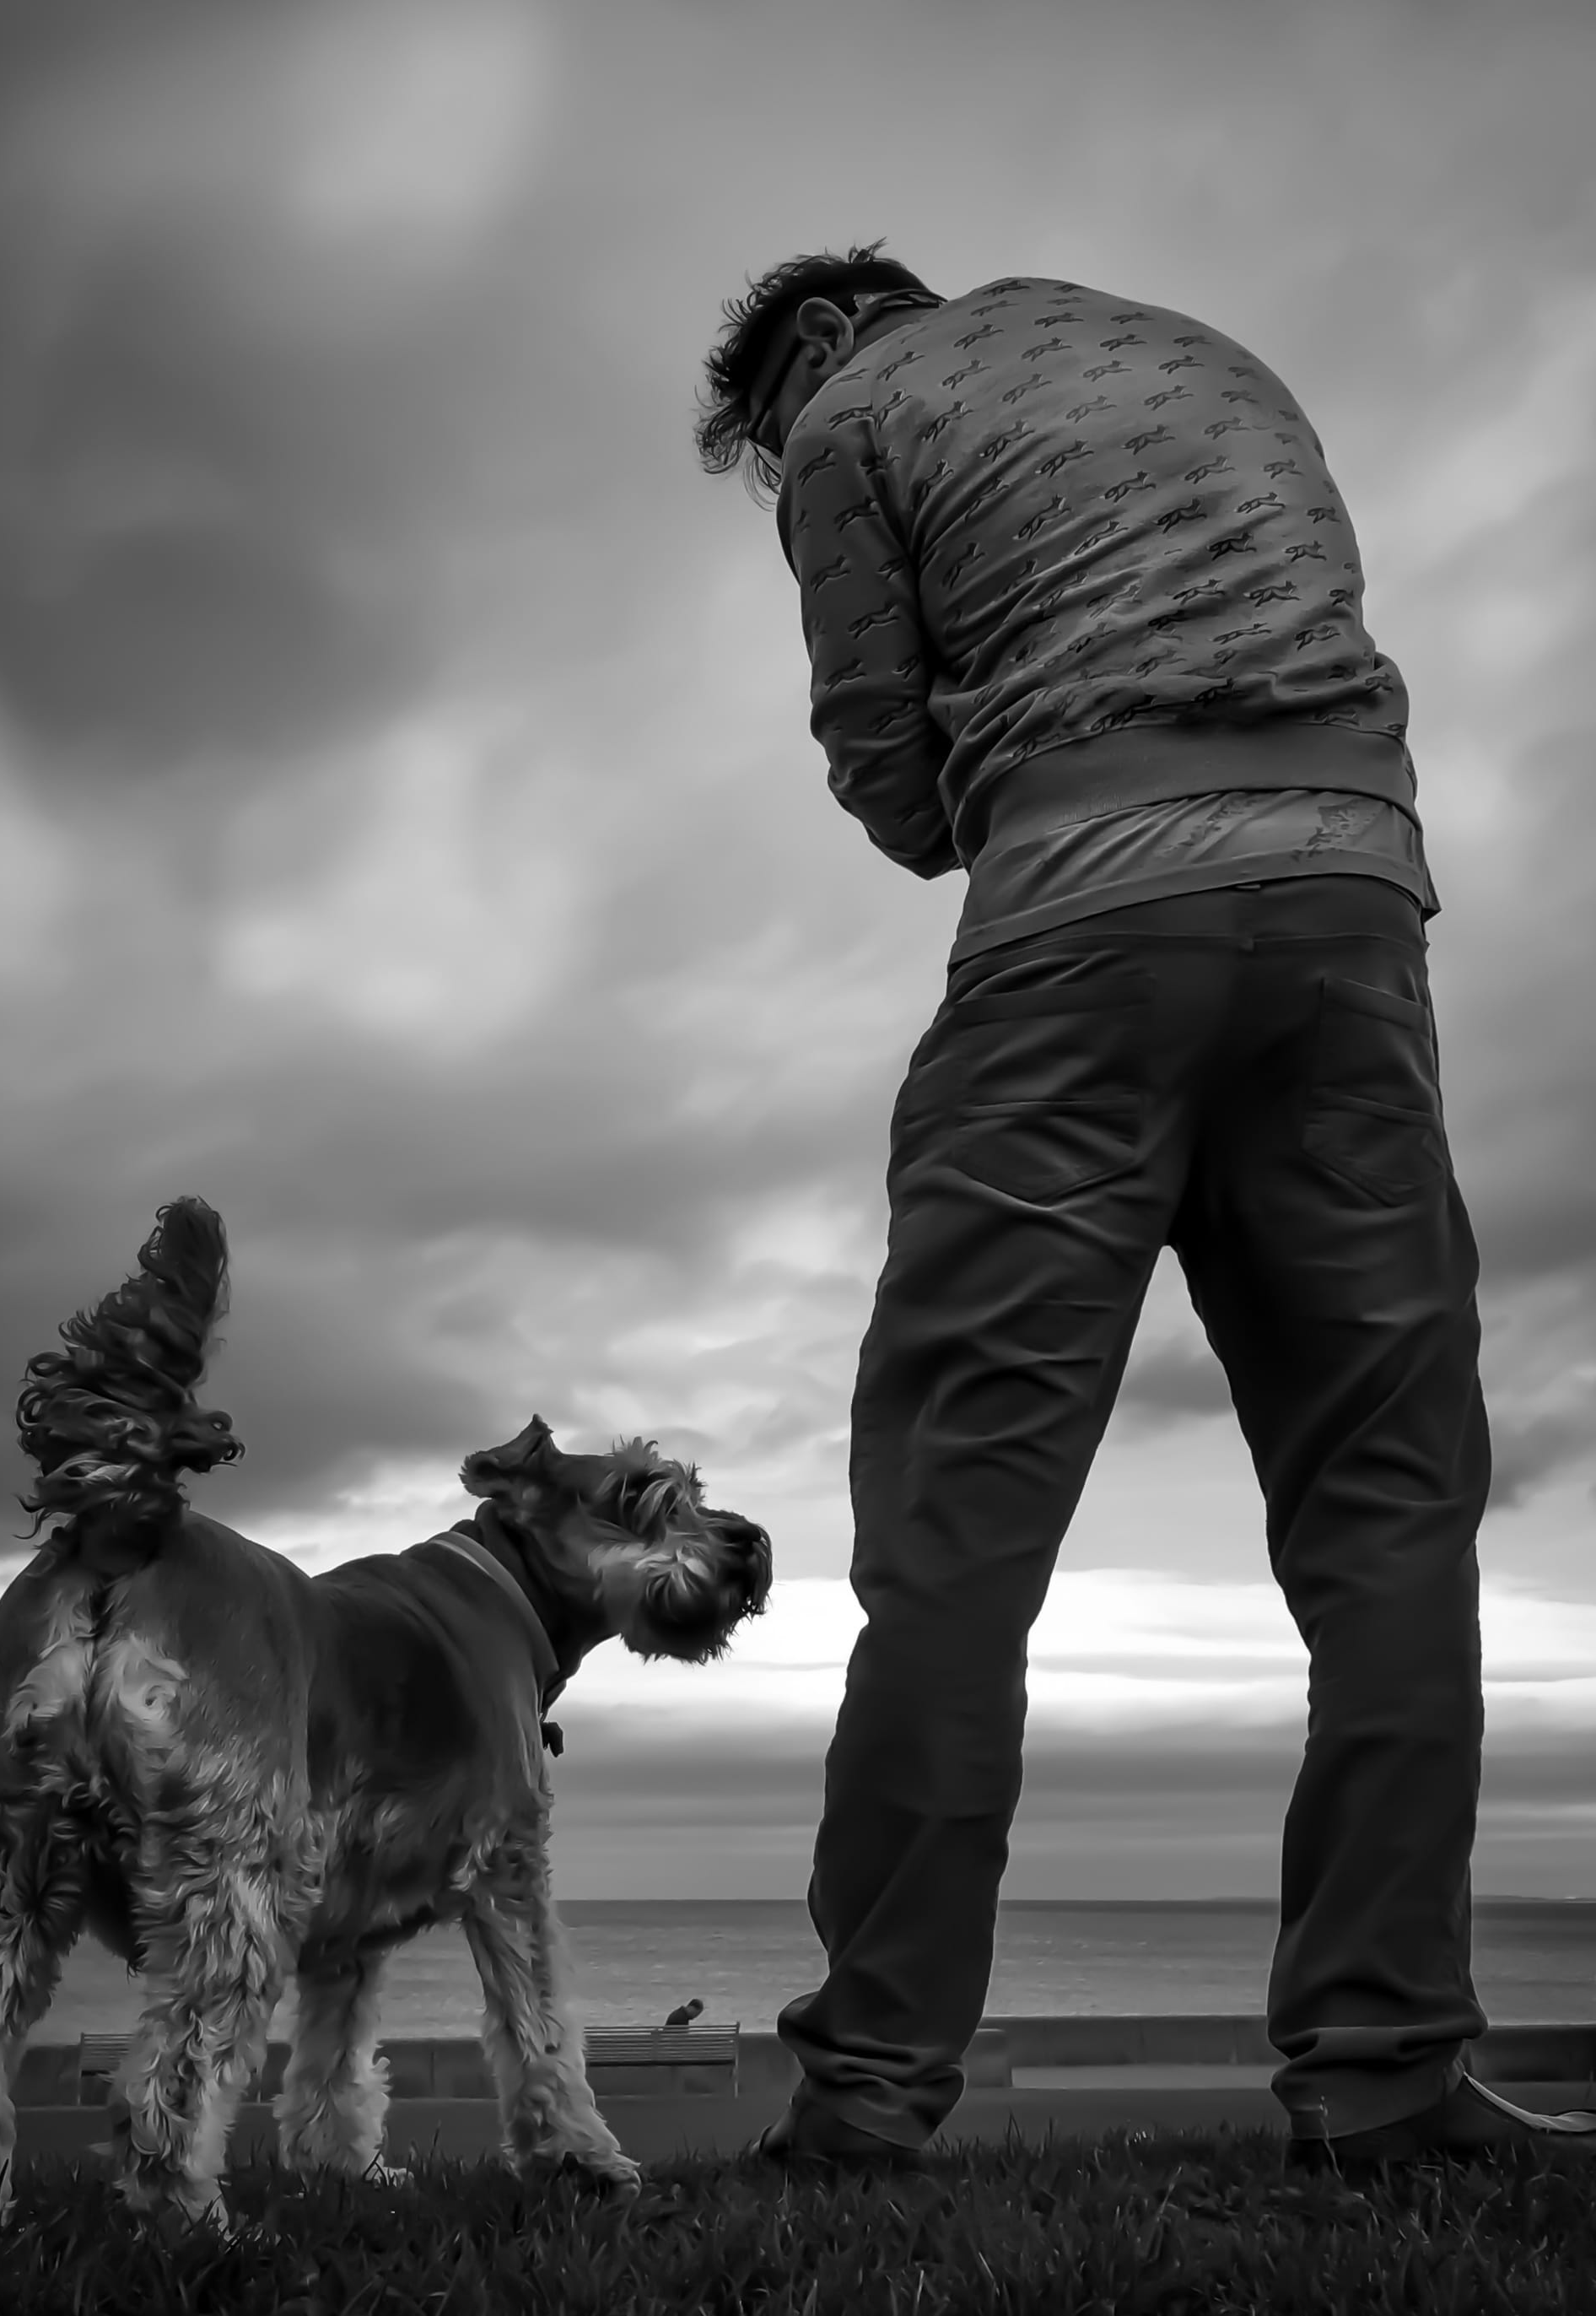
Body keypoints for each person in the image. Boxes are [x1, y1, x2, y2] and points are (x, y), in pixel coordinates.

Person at [694, 245, 1596, 2176]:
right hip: (1352, 914)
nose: (784, 471)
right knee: (1388, 1520)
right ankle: (1387, 2070)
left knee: (959, 1535)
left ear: (821, 340)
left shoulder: (854, 406)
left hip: (1077, 937)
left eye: (763, 443)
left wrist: (968, 740)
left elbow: (893, 774)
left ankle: (868, 2091)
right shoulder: (1201, 349)